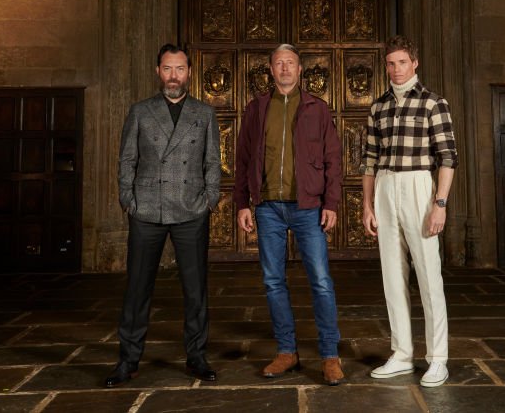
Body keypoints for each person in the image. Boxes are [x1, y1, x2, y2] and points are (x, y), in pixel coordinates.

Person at [105, 44, 221, 387]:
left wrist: (209, 199)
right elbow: (126, 159)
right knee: (137, 289)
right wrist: (129, 200)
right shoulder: (140, 111)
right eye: (168, 69)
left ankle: (197, 356)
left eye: (180, 69)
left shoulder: (204, 113)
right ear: (158, 71)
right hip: (147, 210)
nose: (174, 76)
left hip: (190, 209)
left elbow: (212, 161)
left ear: (189, 72)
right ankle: (128, 359)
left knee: (195, 289)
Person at [234, 43, 345, 386]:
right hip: (268, 207)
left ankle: (330, 355)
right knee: (272, 281)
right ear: (271, 70)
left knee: (322, 283)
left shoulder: (317, 108)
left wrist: (331, 203)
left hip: (308, 206)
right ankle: (287, 351)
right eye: (279, 63)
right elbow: (242, 159)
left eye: (290, 63)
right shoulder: (256, 109)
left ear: (300, 70)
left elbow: (333, 159)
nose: (284, 68)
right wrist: (242, 203)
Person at [361, 35, 457, 387]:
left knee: (429, 277)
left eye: (402, 62)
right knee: (392, 277)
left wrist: (440, 204)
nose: (396, 69)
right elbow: (369, 162)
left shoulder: (434, 103)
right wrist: (368, 206)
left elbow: (447, 158)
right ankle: (402, 354)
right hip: (385, 187)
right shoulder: (378, 107)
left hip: (419, 187)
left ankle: (437, 358)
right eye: (391, 63)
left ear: (414, 63)